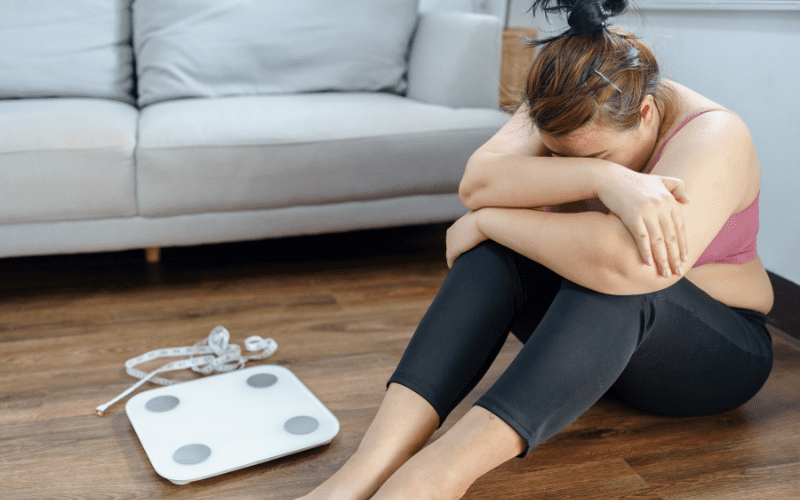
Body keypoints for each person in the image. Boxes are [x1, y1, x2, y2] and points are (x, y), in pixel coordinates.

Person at [295, 1, 775, 498]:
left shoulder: (716, 135)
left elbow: (633, 265)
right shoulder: (564, 103)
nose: (564, 166)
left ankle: (434, 478)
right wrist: (602, 174)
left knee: (614, 278)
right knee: (495, 256)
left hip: (714, 357)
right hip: (597, 355)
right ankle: (365, 469)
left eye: (596, 155)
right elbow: (478, 183)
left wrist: (490, 221)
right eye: (556, 156)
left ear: (648, 115)